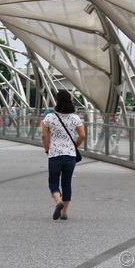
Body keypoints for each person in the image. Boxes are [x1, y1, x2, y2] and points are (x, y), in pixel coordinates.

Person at [41, 90, 85, 220]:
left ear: (57, 100)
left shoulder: (49, 117)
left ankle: (58, 200)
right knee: (67, 183)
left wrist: (46, 148)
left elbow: (44, 135)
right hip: (70, 155)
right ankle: (64, 212)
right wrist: (75, 145)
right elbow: (82, 135)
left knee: (53, 182)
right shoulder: (75, 118)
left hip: (54, 154)